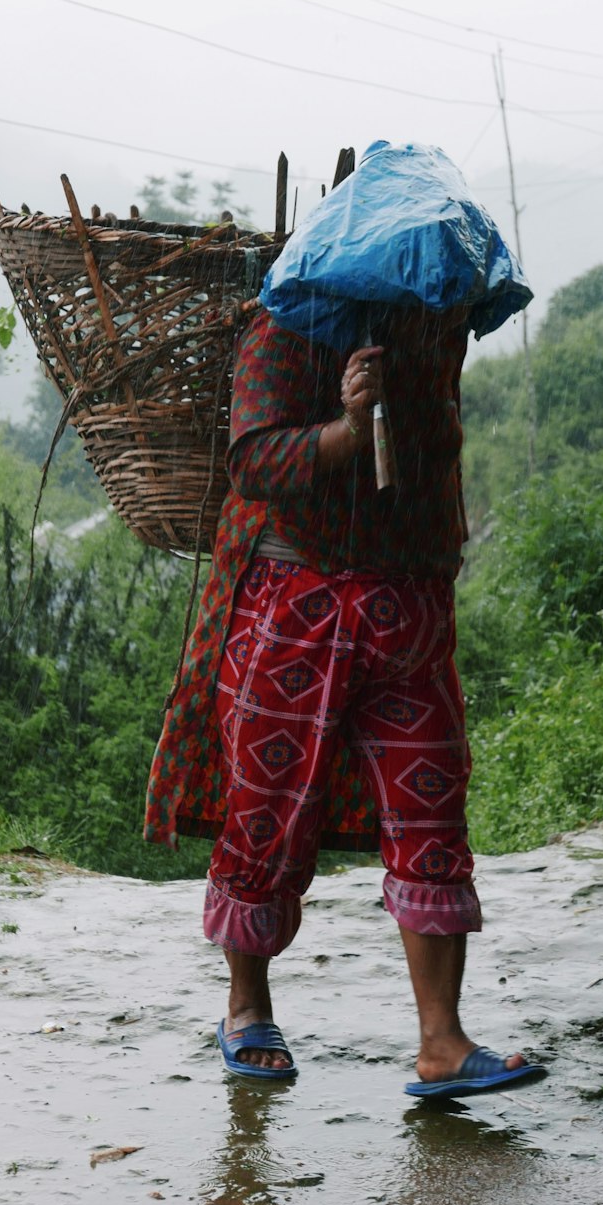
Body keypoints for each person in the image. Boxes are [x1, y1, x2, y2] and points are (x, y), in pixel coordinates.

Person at [144, 145, 544, 1098]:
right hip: (295, 610)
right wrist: (340, 425)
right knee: (267, 820)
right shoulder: (286, 325)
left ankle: (442, 1043)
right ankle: (247, 1010)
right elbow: (255, 463)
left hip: (409, 610)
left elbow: (435, 451)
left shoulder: (437, 325)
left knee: (432, 811)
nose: (431, 280)